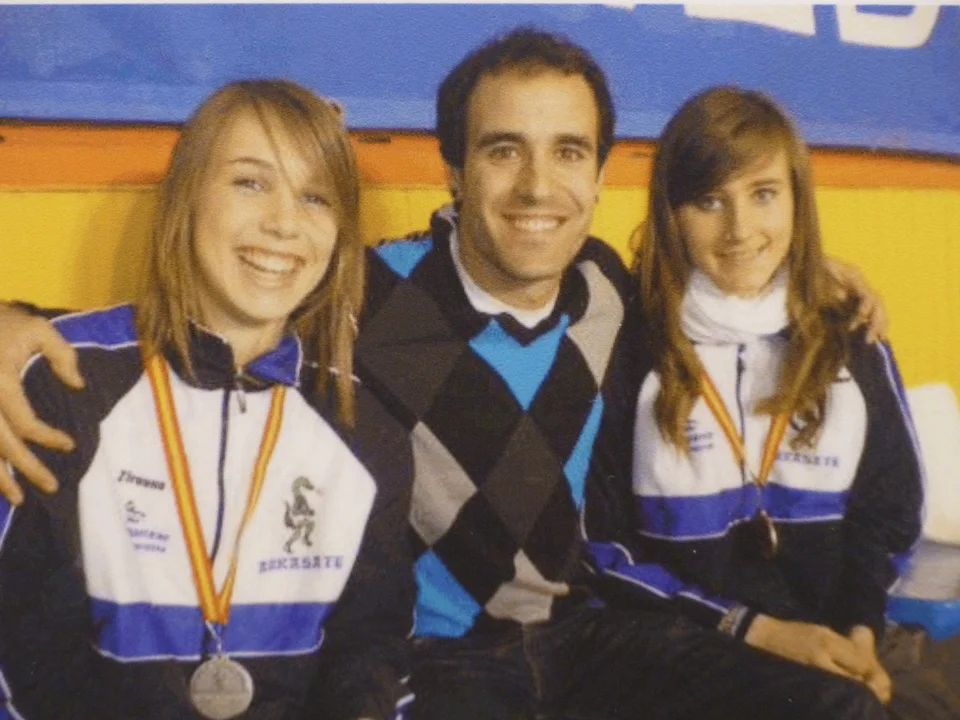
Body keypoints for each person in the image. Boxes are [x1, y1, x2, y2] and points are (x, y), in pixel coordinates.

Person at [0, 29, 889, 720]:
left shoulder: (613, 295)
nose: (537, 186)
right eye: (503, 150)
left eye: (568, 152)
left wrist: (811, 279)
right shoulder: (358, 295)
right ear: (456, 170)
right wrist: (12, 323)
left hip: (588, 637)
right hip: (435, 666)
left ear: (599, 175)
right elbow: (210, 313)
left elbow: (720, 286)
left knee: (837, 709)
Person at [0, 80, 412, 719]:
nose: (284, 223)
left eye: (315, 197)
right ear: (186, 196)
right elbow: (19, 651)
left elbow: (368, 655)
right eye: (251, 182)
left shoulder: (363, 429)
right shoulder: (61, 382)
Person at [584, 86, 954, 718]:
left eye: (763, 194)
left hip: (839, 640)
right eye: (709, 201)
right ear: (672, 213)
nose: (740, 230)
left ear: (797, 200)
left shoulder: (847, 331)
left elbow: (888, 513)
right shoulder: (627, 339)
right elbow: (603, 546)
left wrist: (859, 634)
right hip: (692, 645)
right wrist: (757, 630)